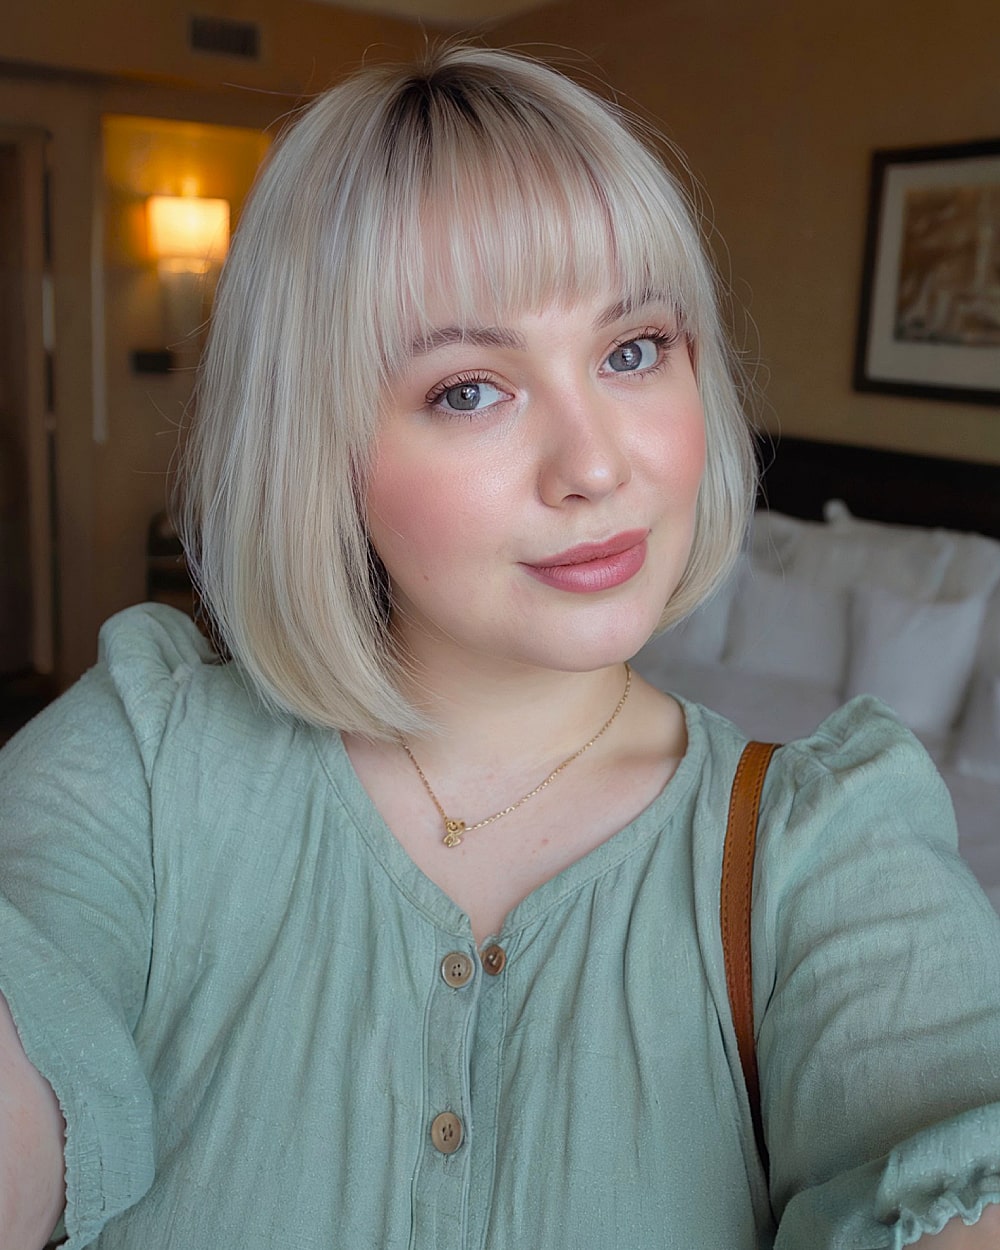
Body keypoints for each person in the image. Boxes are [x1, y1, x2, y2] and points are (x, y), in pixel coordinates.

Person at [2, 45, 1000, 1250]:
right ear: (319, 445)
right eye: (470, 388)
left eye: (633, 349)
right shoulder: (144, 762)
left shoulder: (826, 848)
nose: (595, 464)